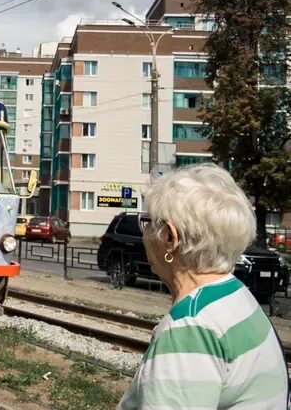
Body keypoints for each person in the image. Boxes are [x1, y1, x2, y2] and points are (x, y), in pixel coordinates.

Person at [119, 164, 288, 409]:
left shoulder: (190, 328)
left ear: (169, 237)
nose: (143, 234)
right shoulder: (236, 295)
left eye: (147, 223)